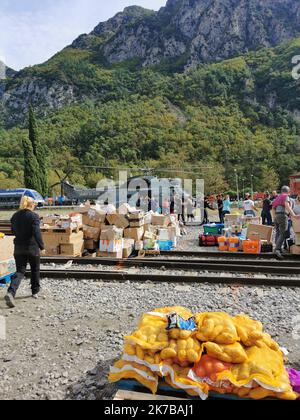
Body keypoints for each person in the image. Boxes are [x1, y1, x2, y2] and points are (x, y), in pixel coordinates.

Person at [5, 196, 45, 308]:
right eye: (34, 203)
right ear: (30, 204)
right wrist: (42, 247)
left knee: (19, 271)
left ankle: (11, 292)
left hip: (18, 248)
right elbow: (37, 233)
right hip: (32, 248)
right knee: (35, 269)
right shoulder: (34, 216)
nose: (34, 205)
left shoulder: (15, 216)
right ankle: (35, 291)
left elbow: (13, 231)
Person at [272, 186, 296, 260]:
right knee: (283, 233)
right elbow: (287, 205)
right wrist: (294, 215)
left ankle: (277, 247)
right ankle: (277, 249)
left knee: (278, 232)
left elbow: (273, 208)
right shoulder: (286, 196)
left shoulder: (277, 198)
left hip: (276, 216)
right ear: (288, 191)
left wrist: (274, 218)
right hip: (283, 215)